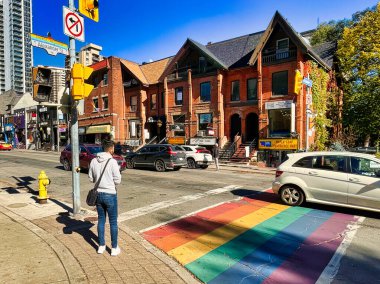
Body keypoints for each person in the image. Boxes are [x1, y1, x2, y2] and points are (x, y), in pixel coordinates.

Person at [89, 140, 122, 256]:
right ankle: (114, 248)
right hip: (110, 194)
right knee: (113, 222)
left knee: (101, 220)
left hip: (98, 194)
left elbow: (91, 179)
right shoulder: (112, 162)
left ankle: (101, 246)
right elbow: (118, 180)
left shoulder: (93, 160)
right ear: (111, 149)